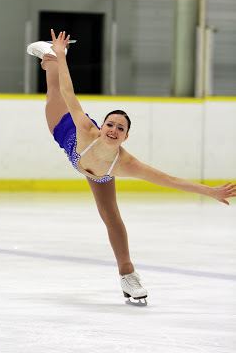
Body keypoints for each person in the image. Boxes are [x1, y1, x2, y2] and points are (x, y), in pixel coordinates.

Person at [27, 30, 236, 306]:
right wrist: (62, 56)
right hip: (65, 132)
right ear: (102, 127)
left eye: (120, 128)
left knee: (112, 218)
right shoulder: (86, 129)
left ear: (126, 137)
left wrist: (209, 192)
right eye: (110, 124)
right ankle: (49, 56)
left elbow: (169, 180)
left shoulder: (125, 163)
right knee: (54, 90)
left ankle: (128, 276)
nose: (113, 130)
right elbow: (68, 91)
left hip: (99, 173)